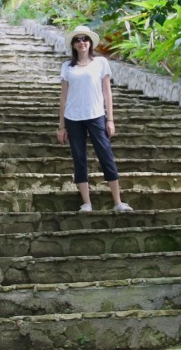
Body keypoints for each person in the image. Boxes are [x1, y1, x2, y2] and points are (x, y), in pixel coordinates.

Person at [56, 26, 133, 213]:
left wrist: (110, 120)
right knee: (79, 158)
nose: (82, 42)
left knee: (106, 155)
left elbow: (107, 92)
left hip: (96, 115)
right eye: (77, 39)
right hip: (73, 118)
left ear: (90, 43)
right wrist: (61, 126)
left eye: (85, 39)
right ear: (73, 45)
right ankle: (87, 203)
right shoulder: (67, 67)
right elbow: (63, 97)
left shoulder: (100, 62)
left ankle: (117, 202)